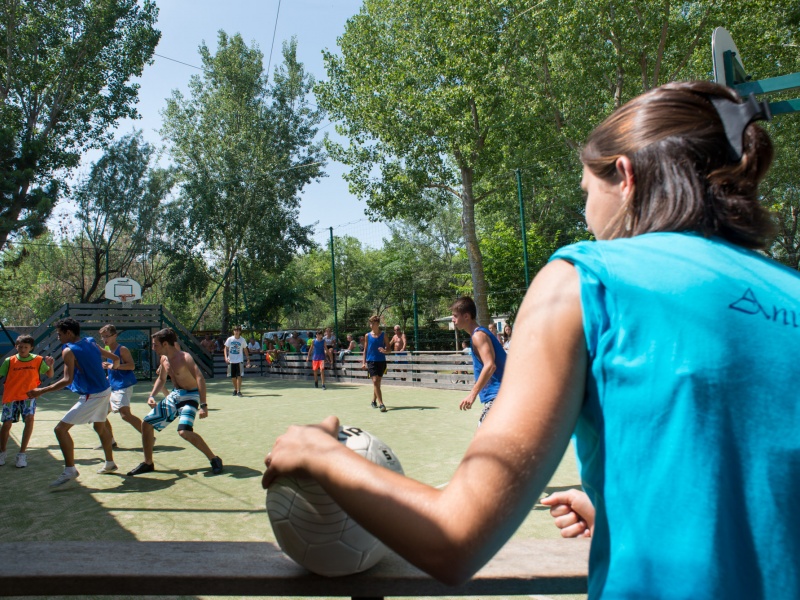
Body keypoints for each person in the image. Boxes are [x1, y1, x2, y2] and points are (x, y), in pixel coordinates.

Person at [261, 82, 799, 597]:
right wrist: (624, 512)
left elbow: (453, 541)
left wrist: (317, 454)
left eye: (587, 190)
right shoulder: (791, 289)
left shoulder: (585, 279)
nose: (587, 214)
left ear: (626, 177)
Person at [27, 318, 120, 487]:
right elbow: (113, 356)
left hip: (93, 394)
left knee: (60, 430)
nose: (58, 337)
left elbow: (67, 380)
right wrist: (113, 365)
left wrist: (41, 391)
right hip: (105, 389)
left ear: (68, 333)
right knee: (100, 426)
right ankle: (110, 463)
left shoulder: (69, 350)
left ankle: (70, 470)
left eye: (59, 334)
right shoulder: (91, 341)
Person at [128, 328, 222, 476]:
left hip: (191, 395)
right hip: (176, 395)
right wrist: (152, 395)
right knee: (146, 424)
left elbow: (200, 379)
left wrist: (203, 405)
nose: (153, 348)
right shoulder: (164, 359)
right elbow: (162, 379)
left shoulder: (185, 358)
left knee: (184, 431)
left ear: (165, 344)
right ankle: (148, 463)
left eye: (155, 345)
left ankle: (214, 459)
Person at [451, 297, 507, 426]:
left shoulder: (478, 336)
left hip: (499, 396)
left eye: (455, 316)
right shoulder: (479, 334)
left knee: (484, 441)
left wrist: (472, 394)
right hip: (502, 395)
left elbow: (490, 365)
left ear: (466, 316)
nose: (453, 320)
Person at [0, 335, 54, 468]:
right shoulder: (9, 361)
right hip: (10, 397)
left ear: (31, 348)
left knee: (29, 420)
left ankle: (22, 454)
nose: (23, 349)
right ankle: (2, 452)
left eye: (26, 347)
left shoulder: (38, 360)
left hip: (29, 397)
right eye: (20, 347)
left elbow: (50, 375)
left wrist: (50, 366)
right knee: (6, 425)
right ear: (16, 347)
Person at [98, 325, 143, 448]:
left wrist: (113, 367)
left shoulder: (122, 349)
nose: (104, 339)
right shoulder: (107, 350)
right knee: (100, 414)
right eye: (102, 337)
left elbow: (132, 366)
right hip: (111, 387)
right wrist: (108, 376)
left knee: (125, 415)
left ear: (115, 336)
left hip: (124, 386)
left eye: (107, 336)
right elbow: (111, 369)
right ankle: (110, 442)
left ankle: (148, 436)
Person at [361, 315, 388, 412]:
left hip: (381, 361)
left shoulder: (383, 335)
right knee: (375, 381)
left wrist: (385, 351)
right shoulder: (367, 336)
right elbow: (365, 350)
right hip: (371, 361)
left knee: (377, 383)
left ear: (377, 324)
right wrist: (363, 362)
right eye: (370, 323)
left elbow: (389, 349)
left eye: (373, 323)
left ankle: (373, 401)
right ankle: (381, 404)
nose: (371, 325)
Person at [224, 326, 251, 397]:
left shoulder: (242, 340)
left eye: (238, 330)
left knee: (239, 376)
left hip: (239, 360)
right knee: (233, 377)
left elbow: (245, 349)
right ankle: (235, 389)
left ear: (240, 332)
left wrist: (248, 359)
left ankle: (239, 391)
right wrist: (226, 357)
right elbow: (225, 348)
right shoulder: (230, 339)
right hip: (231, 361)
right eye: (235, 330)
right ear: (233, 331)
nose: (236, 332)